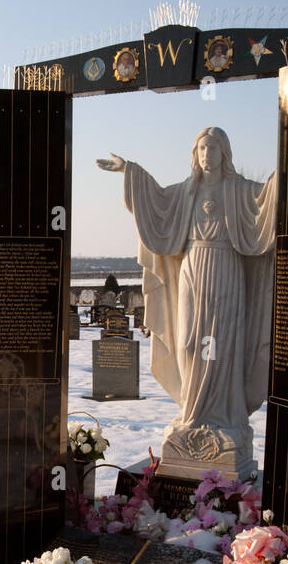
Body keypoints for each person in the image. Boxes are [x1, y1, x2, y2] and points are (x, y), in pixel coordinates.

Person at [97, 128, 277, 479]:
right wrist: (129, 171)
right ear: (196, 153)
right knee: (190, 344)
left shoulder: (239, 189)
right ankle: (193, 412)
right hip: (193, 270)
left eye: (213, 147)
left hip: (226, 269)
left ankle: (223, 417)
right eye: (202, 147)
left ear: (224, 152)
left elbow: (267, 198)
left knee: (221, 345)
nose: (207, 153)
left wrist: (286, 172)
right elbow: (157, 202)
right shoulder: (186, 191)